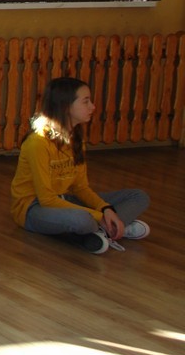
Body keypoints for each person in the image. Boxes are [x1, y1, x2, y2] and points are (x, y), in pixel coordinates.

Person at [11, 77, 150, 254]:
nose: (92, 107)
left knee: (138, 196)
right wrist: (99, 216)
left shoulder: (75, 138)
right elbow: (46, 199)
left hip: (64, 200)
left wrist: (105, 209)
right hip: (33, 208)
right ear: (66, 106)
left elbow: (80, 187)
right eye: (86, 101)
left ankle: (104, 230)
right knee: (82, 220)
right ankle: (109, 227)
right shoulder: (37, 142)